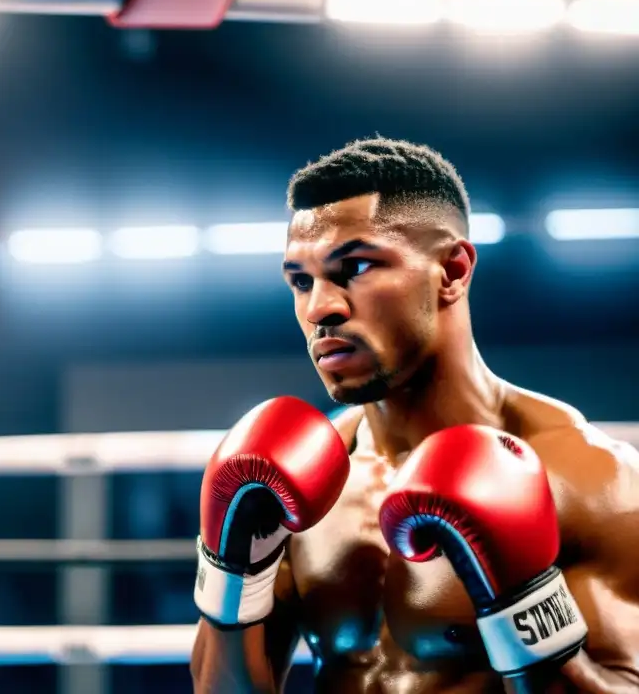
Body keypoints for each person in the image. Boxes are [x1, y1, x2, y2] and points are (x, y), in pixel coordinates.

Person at [189, 138, 639, 693]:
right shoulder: (295, 483)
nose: (319, 308)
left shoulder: (587, 476)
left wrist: (526, 610)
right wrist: (231, 571)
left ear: (451, 270)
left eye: (353, 267)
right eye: (301, 281)